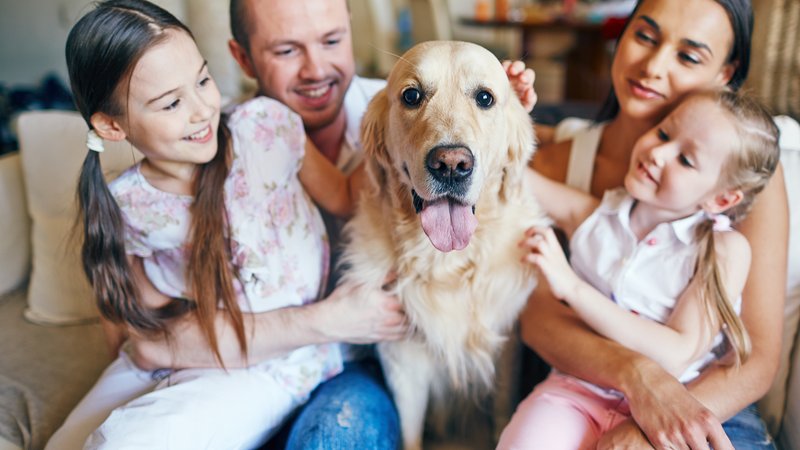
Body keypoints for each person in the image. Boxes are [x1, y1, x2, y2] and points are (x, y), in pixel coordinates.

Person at [126, 1, 538, 448]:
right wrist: (325, 322)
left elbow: (522, 171)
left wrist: (497, 105)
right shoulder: (212, 141)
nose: (315, 68)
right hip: (260, 366)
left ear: (351, 36)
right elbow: (143, 340)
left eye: (332, 41)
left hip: (348, 376)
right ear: (242, 58)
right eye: (286, 50)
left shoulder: (389, 103)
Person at [46, 1, 403, 448]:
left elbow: (347, 196)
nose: (200, 111)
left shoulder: (267, 127)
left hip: (275, 363)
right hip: (187, 354)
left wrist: (409, 127)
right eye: (172, 102)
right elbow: (145, 336)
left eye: (203, 81)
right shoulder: (126, 204)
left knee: (125, 442)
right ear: (111, 126)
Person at [524, 0, 789, 449]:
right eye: (645, 36)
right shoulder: (562, 162)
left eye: (688, 56)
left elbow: (758, 358)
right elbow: (539, 320)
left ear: (726, 72)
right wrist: (639, 378)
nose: (652, 66)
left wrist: (647, 429)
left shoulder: (744, 176)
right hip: (584, 389)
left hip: (707, 401)